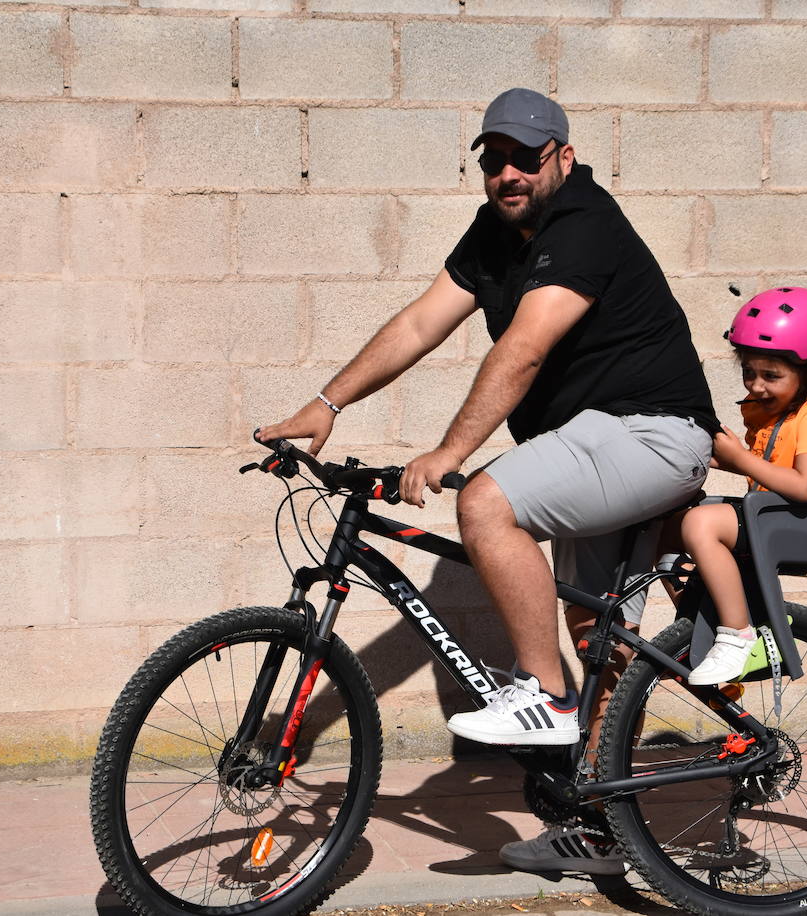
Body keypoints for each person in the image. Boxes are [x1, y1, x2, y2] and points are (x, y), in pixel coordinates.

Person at [257, 87, 720, 868]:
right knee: (596, 637)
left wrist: (449, 451)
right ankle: (601, 824)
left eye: (525, 158)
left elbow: (525, 347)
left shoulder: (584, 224)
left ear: (563, 158)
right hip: (593, 444)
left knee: (485, 501)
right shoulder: (494, 233)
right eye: (494, 159)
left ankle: (546, 695)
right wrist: (327, 402)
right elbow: (419, 323)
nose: (508, 173)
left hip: (651, 432)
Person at [674, 288, 807, 686]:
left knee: (701, 524)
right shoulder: (775, 412)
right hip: (771, 515)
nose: (756, 385)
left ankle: (737, 636)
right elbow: (760, 468)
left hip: (803, 520)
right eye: (748, 372)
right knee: (668, 519)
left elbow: (803, 487)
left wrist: (740, 458)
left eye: (771, 376)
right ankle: (697, 627)